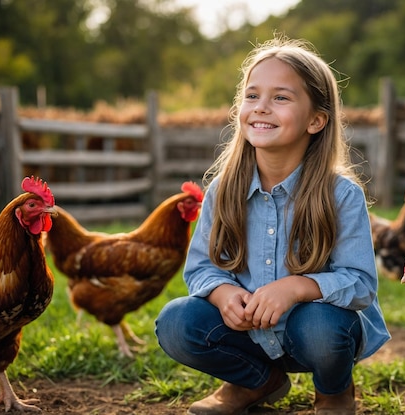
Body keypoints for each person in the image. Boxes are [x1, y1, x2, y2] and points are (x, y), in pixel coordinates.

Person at [155, 35, 390, 415]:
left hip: (316, 335)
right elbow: (201, 268)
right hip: (248, 333)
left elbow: (361, 284)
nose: (261, 108)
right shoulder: (223, 189)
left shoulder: (340, 195)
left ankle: (334, 393)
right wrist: (222, 295)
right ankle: (256, 381)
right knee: (177, 322)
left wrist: (297, 287)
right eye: (252, 96)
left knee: (320, 326)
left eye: (280, 98)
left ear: (316, 120)